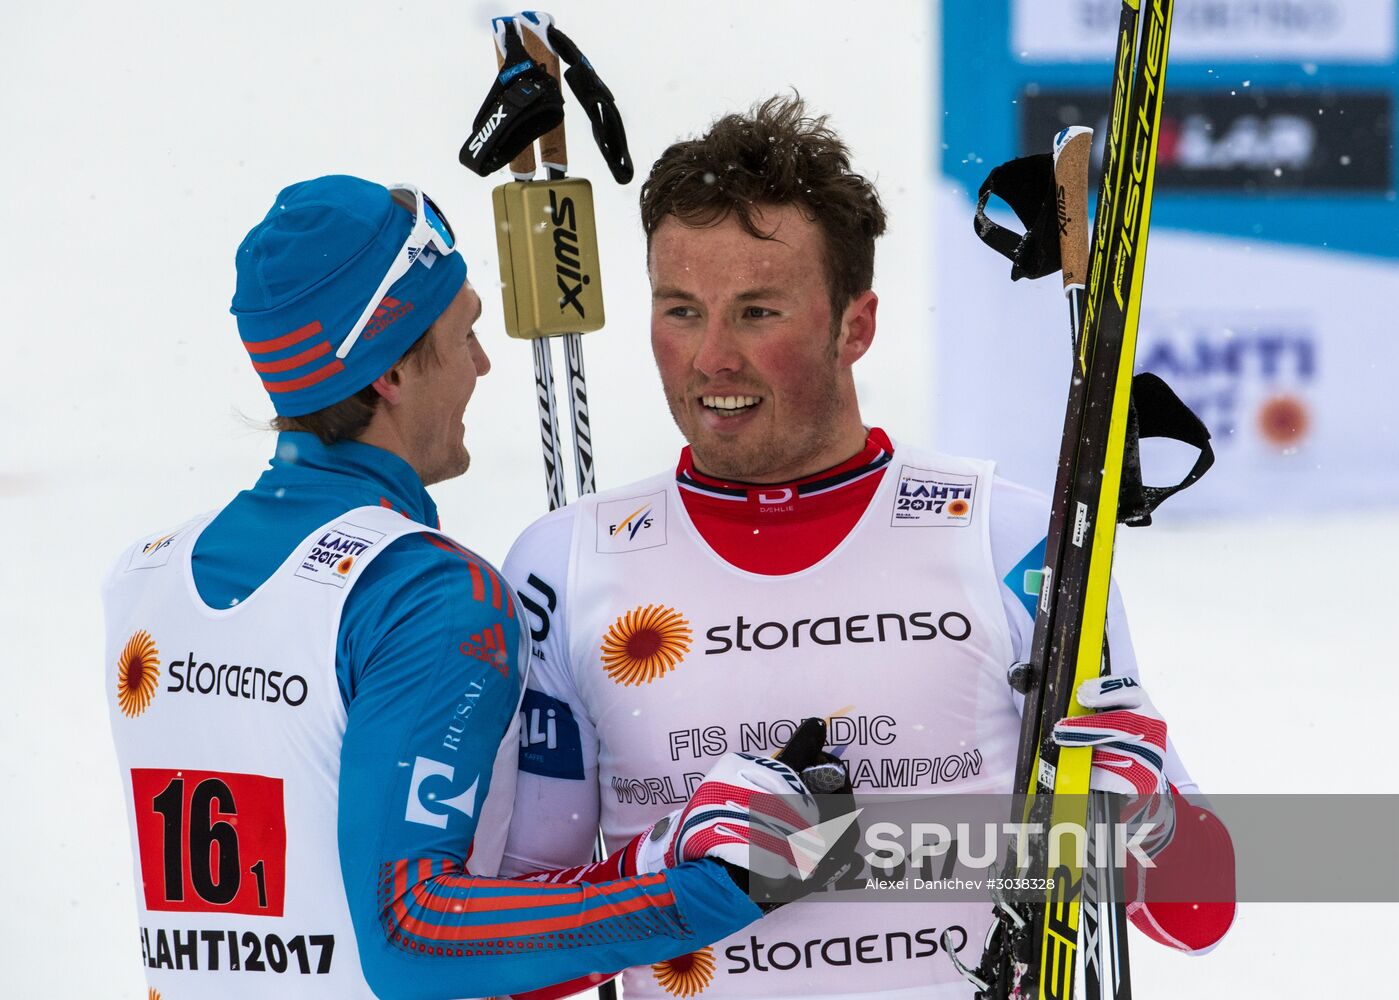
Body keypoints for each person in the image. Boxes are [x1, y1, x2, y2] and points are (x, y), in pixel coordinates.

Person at [500, 98, 1237, 998]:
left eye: (758, 311)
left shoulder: (1009, 540)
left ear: (856, 324)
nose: (712, 358)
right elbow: (505, 953)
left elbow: (1199, 915)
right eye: (682, 310)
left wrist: (1148, 826)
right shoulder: (564, 565)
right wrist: (666, 867)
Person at [103, 174, 839, 1000]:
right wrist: (706, 887)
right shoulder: (426, 592)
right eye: (463, 336)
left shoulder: (148, 574)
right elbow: (413, 942)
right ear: (388, 371)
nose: (483, 365)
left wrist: (650, 862)